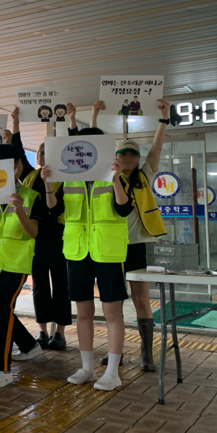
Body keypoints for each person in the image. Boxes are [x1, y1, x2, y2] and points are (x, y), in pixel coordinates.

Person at [44, 126, 132, 391]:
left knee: (111, 311)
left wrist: (115, 179)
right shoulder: (68, 179)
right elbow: (55, 210)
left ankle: (113, 372)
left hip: (108, 250)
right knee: (83, 311)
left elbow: (124, 208)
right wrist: (48, 185)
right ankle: (87, 368)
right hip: (78, 250)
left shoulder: (116, 176)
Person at [0, 144, 45, 388]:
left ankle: (2, 369)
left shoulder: (31, 196)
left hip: (17, 263)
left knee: (1, 305)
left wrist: (19, 211)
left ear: (18, 165)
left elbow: (33, 232)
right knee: (1, 309)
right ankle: (29, 345)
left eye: (9, 166)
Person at [8, 107, 71, 351]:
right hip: (36, 239)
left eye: (47, 152)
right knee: (39, 287)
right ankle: (43, 331)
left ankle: (60, 333)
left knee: (62, 286)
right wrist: (15, 124)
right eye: (41, 152)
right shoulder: (31, 176)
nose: (43, 155)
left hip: (61, 239)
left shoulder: (65, 177)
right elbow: (18, 151)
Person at [114, 99, 170, 372]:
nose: (128, 158)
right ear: (116, 157)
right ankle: (116, 352)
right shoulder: (107, 180)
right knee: (113, 303)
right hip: (112, 246)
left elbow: (156, 148)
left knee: (141, 300)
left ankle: (147, 355)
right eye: (123, 154)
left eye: (133, 154)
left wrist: (163, 119)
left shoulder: (144, 176)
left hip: (140, 246)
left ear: (138, 158)